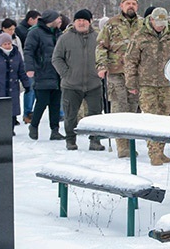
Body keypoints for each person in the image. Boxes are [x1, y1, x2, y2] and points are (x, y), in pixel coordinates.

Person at [124, 7, 170, 163]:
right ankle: (154, 153)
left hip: (167, 83)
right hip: (147, 84)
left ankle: (160, 150)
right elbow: (131, 60)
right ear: (151, 20)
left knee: (164, 118)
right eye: (157, 22)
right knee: (151, 118)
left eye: (163, 22)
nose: (160, 25)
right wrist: (131, 82)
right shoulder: (139, 36)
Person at [96, 0, 144, 157]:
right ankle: (122, 148)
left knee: (133, 110)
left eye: (134, 3)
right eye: (128, 3)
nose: (131, 6)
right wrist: (102, 65)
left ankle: (130, 143)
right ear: (121, 6)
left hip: (136, 75)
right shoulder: (111, 24)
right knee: (119, 108)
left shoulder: (143, 24)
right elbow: (101, 47)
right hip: (117, 72)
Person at [52, 9, 105, 151]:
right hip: (71, 85)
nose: (81, 23)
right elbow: (56, 58)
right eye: (78, 20)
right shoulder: (65, 38)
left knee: (95, 114)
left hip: (93, 83)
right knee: (70, 115)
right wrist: (66, 73)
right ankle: (70, 140)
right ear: (74, 22)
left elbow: (105, 55)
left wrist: (101, 69)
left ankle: (95, 140)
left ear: (90, 22)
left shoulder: (98, 37)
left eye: (84, 20)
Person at [24, 9, 64, 141]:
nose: (60, 21)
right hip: (42, 71)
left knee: (55, 103)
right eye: (58, 18)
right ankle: (34, 126)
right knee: (42, 101)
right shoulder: (35, 32)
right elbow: (28, 51)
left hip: (58, 73)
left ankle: (55, 130)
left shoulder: (59, 33)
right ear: (50, 20)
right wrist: (29, 67)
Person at [16, 11, 40, 123]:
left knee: (34, 89)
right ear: (30, 19)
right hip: (27, 63)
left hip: (35, 63)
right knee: (29, 89)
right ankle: (27, 113)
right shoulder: (22, 31)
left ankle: (30, 112)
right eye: (37, 20)